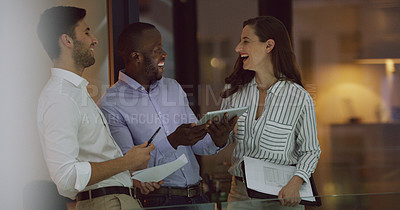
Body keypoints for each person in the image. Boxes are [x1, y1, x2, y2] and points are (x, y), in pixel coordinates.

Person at [97, 22, 237, 208]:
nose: (164, 54)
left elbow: (198, 146)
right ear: (136, 57)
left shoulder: (173, 87)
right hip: (160, 202)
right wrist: (172, 141)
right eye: (157, 50)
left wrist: (218, 140)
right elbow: (129, 167)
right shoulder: (111, 103)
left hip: (199, 196)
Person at [36, 6, 159, 210]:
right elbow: (66, 177)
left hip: (113, 200)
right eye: (86, 32)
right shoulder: (60, 97)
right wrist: (126, 162)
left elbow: (92, 161)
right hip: (107, 204)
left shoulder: (74, 92)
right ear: (66, 41)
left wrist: (126, 176)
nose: (95, 39)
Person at [218, 16, 321, 209]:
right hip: (241, 195)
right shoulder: (234, 90)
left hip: (283, 196)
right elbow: (225, 140)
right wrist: (219, 135)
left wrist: (296, 183)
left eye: (246, 41)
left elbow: (310, 150)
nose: (238, 48)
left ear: (269, 46)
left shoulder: (298, 97)